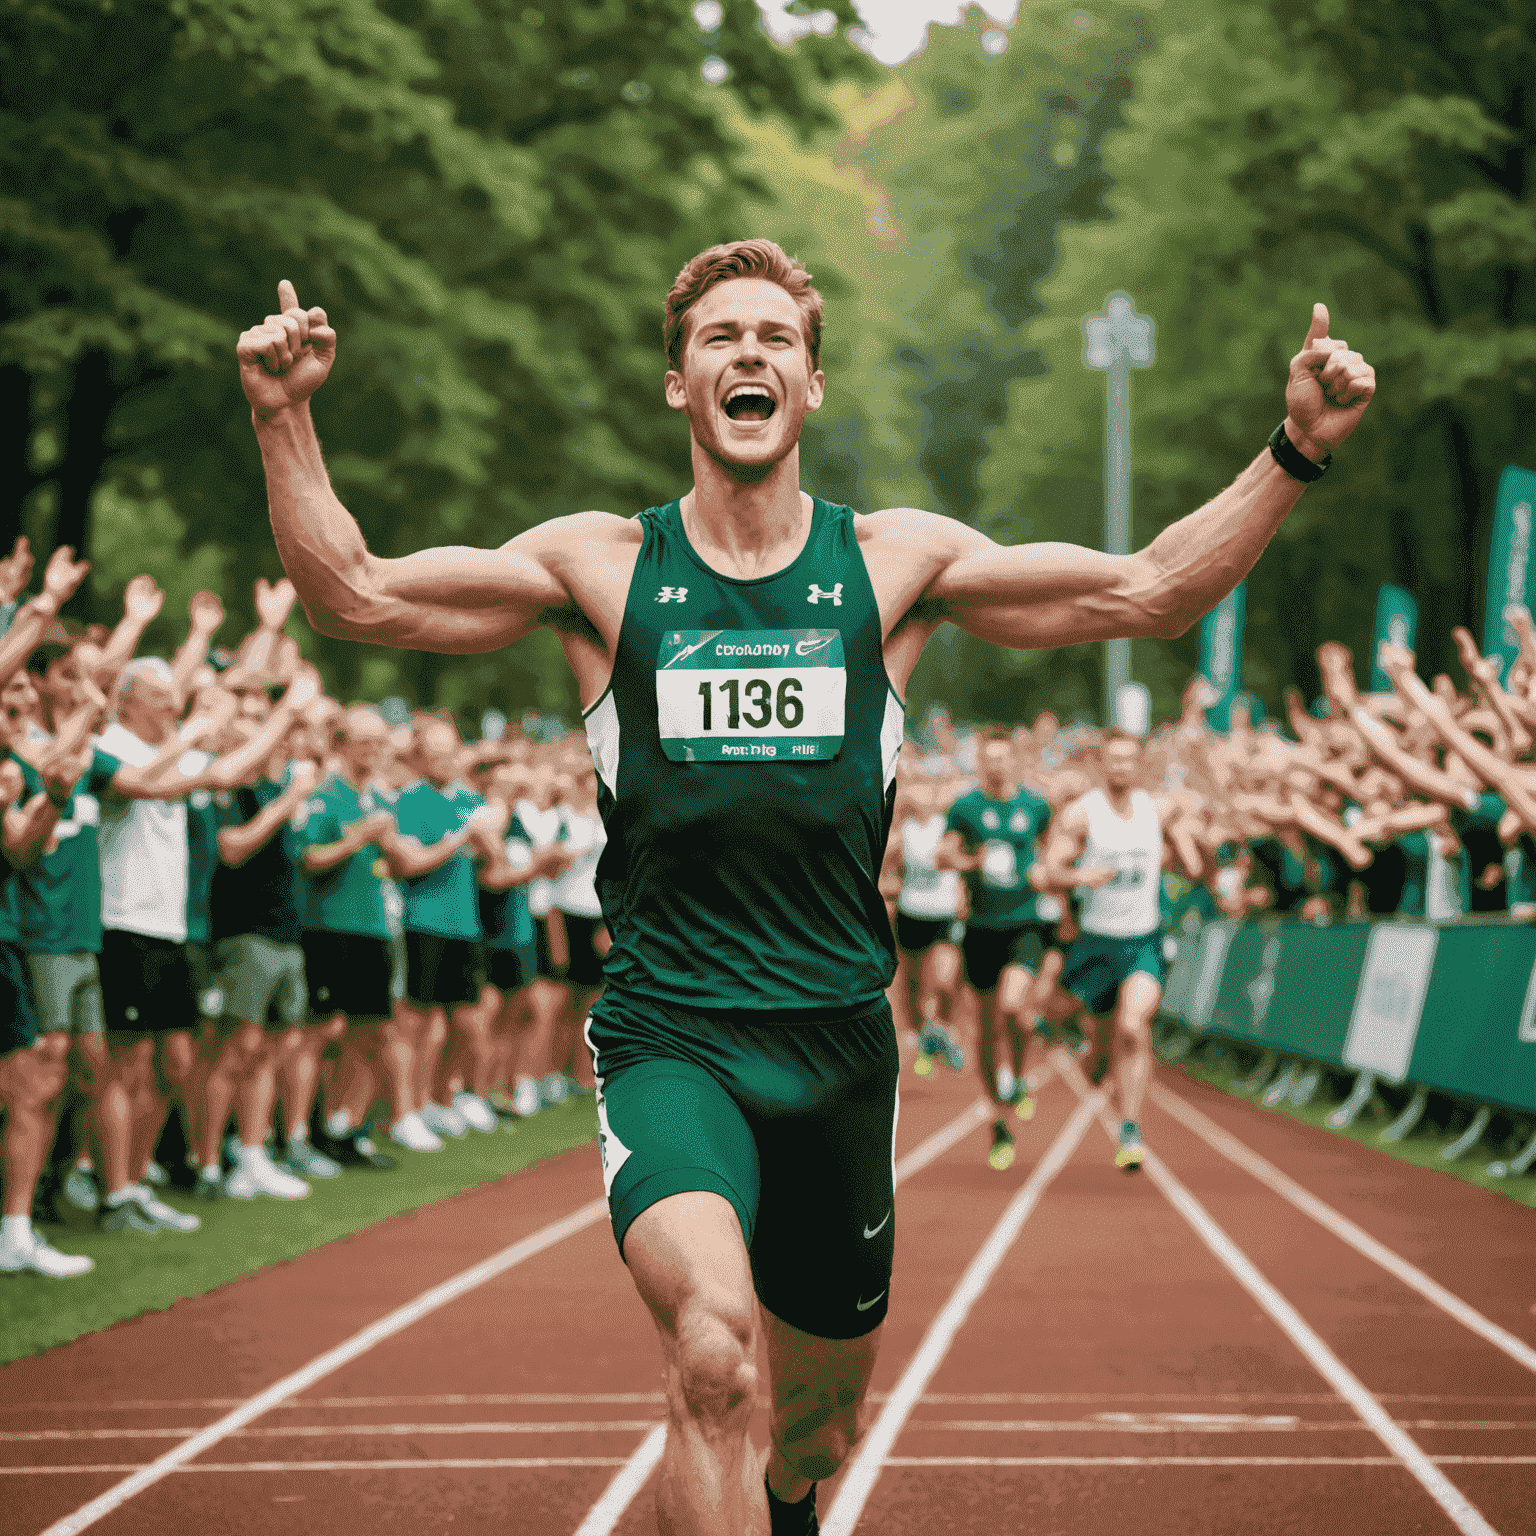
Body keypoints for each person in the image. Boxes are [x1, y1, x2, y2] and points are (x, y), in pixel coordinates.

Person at [242, 240, 1375, 1536]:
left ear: (811, 386)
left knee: (817, 1421)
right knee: (715, 1358)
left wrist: (1292, 453)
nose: (750, 355)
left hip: (839, 1045)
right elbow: (354, 595)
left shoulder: (895, 566)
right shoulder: (598, 570)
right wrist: (284, 416)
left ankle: (786, 1505)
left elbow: (1153, 590)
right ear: (679, 383)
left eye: (777, 338)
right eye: (721, 337)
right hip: (672, 1032)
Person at [1030, 728, 1165, 1172]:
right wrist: (1079, 878)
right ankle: (1086, 1043)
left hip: (1142, 940)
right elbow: (1048, 870)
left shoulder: (1157, 808)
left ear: (1139, 764)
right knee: (1091, 1055)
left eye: (1129, 759)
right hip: (1094, 942)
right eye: (1114, 759)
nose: (1122, 767)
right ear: (1100, 764)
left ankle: (1130, 1126)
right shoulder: (1080, 815)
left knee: (1133, 1026)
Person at [936, 725, 1055, 1171]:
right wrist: (970, 862)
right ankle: (998, 1117)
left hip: (1023, 924)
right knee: (986, 1030)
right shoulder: (966, 809)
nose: (997, 765)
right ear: (982, 762)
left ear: (1015, 762)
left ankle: (1020, 1075)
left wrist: (1047, 873)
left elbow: (1053, 852)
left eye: (1004, 758)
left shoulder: (1035, 807)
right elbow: (942, 856)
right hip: (980, 928)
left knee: (1012, 1007)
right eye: (990, 758)